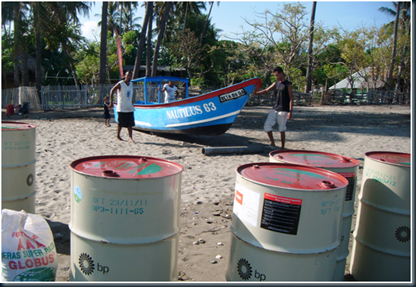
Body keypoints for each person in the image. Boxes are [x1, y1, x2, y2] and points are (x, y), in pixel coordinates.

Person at [255, 66, 293, 150]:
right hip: (275, 108)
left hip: (283, 110)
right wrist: (255, 93)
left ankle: (282, 147)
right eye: (275, 75)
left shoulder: (288, 84)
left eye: (277, 75)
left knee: (281, 128)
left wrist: (290, 111)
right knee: (267, 125)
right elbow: (266, 90)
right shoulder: (276, 83)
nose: (276, 77)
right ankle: (272, 143)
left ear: (281, 73)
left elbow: (291, 98)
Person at [110, 70, 135, 143]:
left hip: (129, 107)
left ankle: (130, 137)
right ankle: (118, 135)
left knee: (130, 124)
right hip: (121, 107)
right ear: (125, 76)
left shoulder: (131, 85)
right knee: (120, 123)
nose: (129, 77)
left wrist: (132, 103)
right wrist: (111, 102)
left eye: (130, 75)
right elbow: (112, 91)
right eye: (127, 75)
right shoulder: (120, 84)